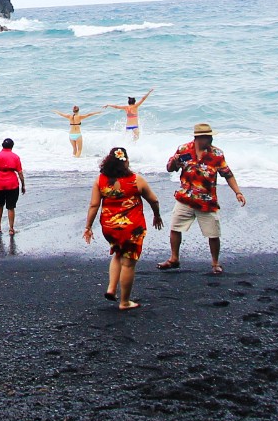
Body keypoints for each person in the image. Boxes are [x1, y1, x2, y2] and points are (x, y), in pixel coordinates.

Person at [83, 146, 162, 310]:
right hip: (132, 228)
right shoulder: (136, 179)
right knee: (128, 262)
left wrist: (88, 226)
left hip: (109, 227)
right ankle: (125, 302)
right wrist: (157, 215)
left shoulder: (101, 180)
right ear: (125, 161)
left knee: (118, 252)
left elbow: (94, 205)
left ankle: (111, 289)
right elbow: (153, 200)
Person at [161, 121, 246, 274]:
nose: (210, 139)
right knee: (175, 227)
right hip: (185, 197)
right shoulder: (184, 150)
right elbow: (170, 168)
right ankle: (174, 258)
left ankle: (215, 263)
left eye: (210, 136)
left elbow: (228, 174)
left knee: (213, 233)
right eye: (207, 137)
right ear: (198, 137)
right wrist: (174, 162)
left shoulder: (216, 154)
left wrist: (238, 192)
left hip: (207, 200)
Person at [0, 136, 25, 235]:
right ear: (12, 146)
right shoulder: (15, 157)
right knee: (11, 207)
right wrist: (23, 185)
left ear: (2, 145)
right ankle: (11, 229)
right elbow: (20, 173)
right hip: (11, 183)